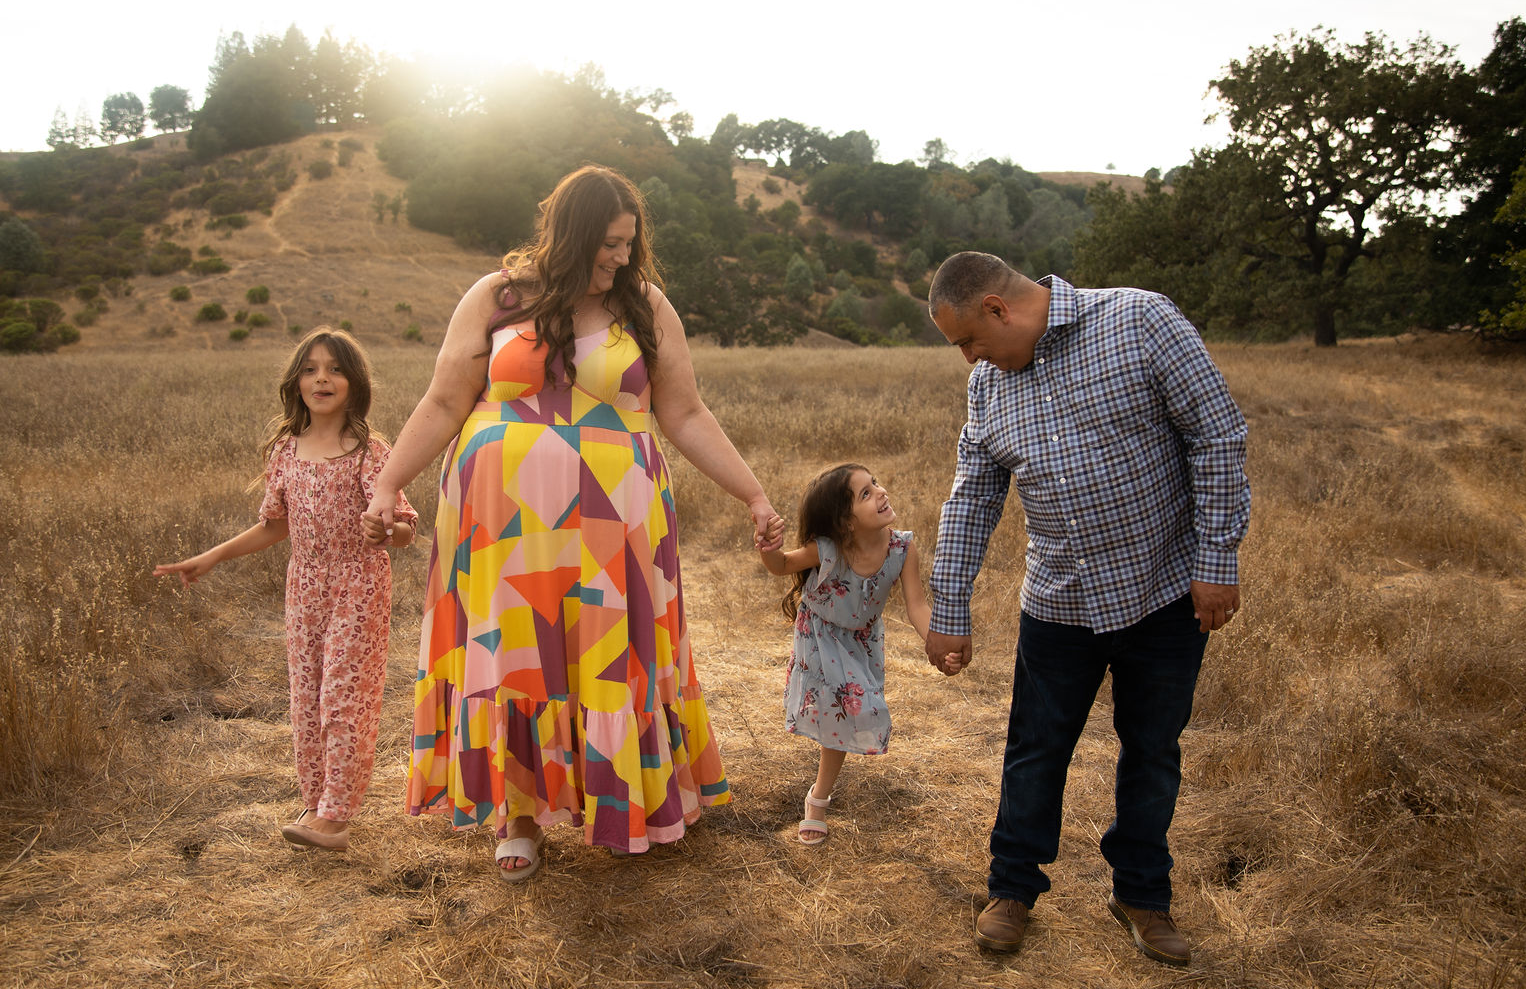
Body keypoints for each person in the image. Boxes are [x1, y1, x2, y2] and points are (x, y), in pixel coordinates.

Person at [362, 165, 783, 882]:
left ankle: (617, 802)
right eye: (609, 244)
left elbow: (684, 411)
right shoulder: (496, 297)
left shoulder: (645, 306)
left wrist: (755, 495)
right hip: (502, 528)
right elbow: (442, 401)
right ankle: (518, 815)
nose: (622, 258)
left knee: (611, 659)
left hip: (614, 527)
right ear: (572, 234)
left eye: (629, 244)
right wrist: (387, 483)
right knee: (518, 659)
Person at [923, 252, 1249, 966]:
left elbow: (1217, 434)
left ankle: (1142, 895)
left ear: (997, 309)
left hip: (1164, 591)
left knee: (1152, 750)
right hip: (1060, 602)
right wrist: (949, 602)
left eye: (969, 341)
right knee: (1034, 750)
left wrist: (1216, 561)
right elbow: (973, 496)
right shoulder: (989, 387)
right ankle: (1012, 888)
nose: (970, 360)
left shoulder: (1139, 320)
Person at [155, 327, 417, 852]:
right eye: (311, 369)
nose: (323, 378)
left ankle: (337, 816)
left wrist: (385, 529)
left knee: (346, 694)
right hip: (304, 585)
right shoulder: (284, 450)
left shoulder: (370, 451)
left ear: (355, 383)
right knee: (307, 696)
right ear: (296, 382)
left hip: (357, 583)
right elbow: (276, 525)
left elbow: (406, 527)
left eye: (336, 369)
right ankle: (315, 798)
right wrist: (212, 556)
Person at [758, 464, 947, 844]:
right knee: (847, 708)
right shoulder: (828, 549)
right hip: (821, 634)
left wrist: (937, 644)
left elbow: (917, 606)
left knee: (846, 714)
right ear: (845, 523)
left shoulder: (902, 549)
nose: (879, 491)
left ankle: (818, 795)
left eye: (875, 483)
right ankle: (819, 802)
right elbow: (783, 565)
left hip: (861, 641)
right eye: (865, 493)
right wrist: (768, 548)